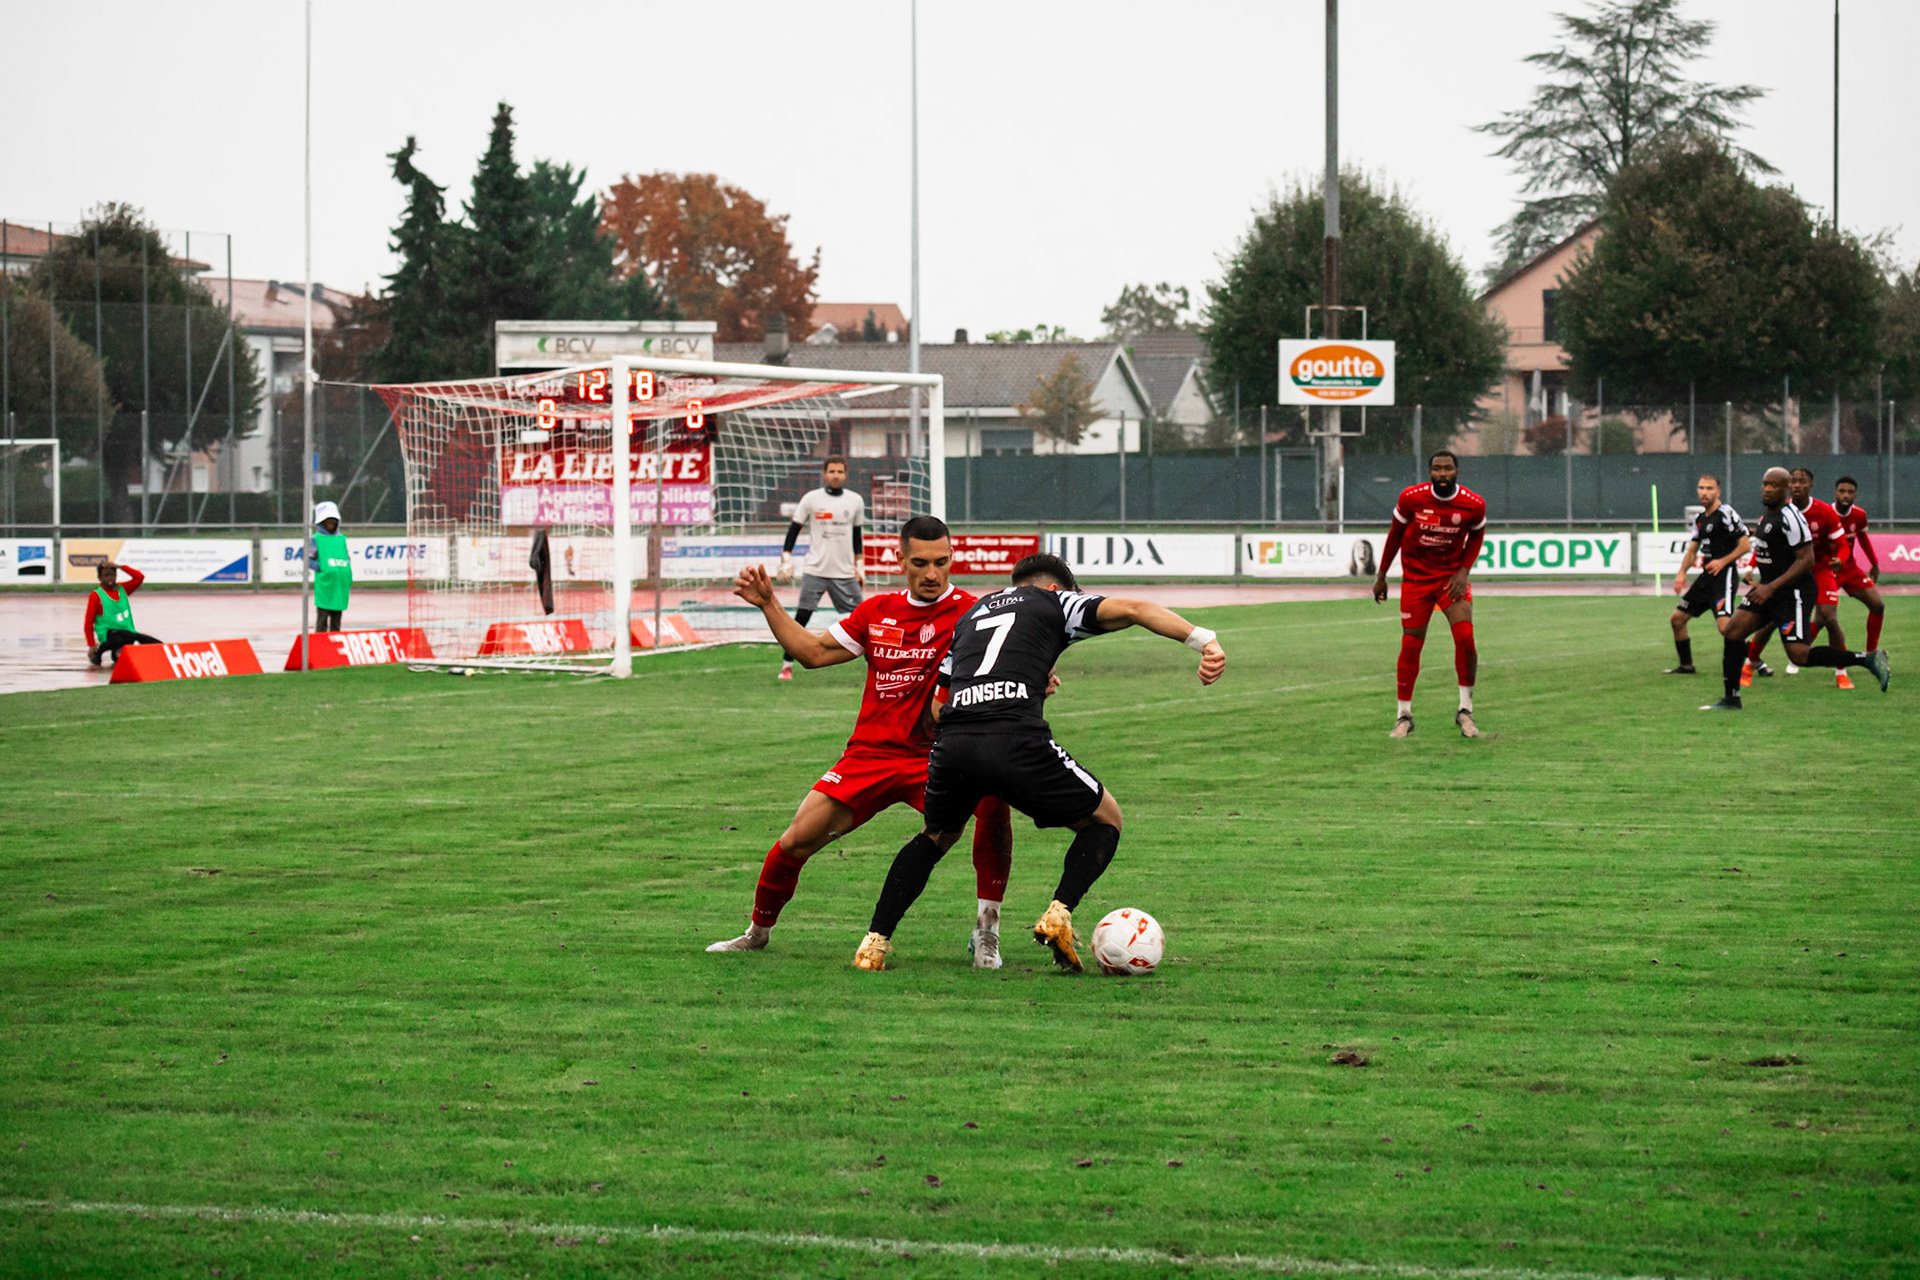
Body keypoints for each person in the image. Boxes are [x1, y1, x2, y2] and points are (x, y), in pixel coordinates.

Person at [852, 553, 1226, 974]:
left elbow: (936, 711)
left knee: (936, 836)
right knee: (1106, 820)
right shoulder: (1053, 601)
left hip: (954, 743)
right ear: (1054, 589)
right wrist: (1203, 639)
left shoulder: (970, 616)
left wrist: (1024, 683)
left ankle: (874, 944)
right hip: (1015, 740)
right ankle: (1059, 913)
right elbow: (1136, 610)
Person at [710, 515, 1018, 967]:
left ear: (952, 559)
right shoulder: (877, 612)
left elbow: (1009, 656)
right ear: (900, 560)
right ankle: (757, 933)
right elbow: (813, 654)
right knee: (796, 841)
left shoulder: (975, 613)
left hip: (939, 758)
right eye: (920, 563)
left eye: (941, 562)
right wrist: (769, 604)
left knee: (994, 800)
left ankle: (987, 931)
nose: (932, 574)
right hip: (870, 755)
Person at [1705, 467, 1887, 711]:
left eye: (1774, 485)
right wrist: (1760, 577)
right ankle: (1731, 698)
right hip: (1769, 590)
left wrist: (1771, 587)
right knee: (1733, 632)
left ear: (1786, 488)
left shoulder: (1791, 517)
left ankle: (1867, 659)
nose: (1768, 489)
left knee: (1799, 655)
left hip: (1795, 593)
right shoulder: (1769, 514)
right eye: (1765, 484)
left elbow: (1807, 560)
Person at [1371, 450, 1487, 739]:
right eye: (1437, 468)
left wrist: (1463, 571)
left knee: (1465, 639)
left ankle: (1465, 711)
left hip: (1451, 581)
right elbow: (1395, 535)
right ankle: (1404, 716)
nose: (1442, 473)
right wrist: (1382, 575)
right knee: (1411, 645)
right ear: (1430, 472)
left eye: (1448, 468)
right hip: (1416, 581)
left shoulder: (1473, 504)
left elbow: (1476, 536)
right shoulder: (1411, 498)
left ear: (1457, 471)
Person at [1743, 467, 1849, 686]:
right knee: (1769, 623)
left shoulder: (1824, 511)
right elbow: (1765, 543)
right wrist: (1751, 565)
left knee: (1829, 617)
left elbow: (1842, 544)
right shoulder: (1776, 511)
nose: (1798, 485)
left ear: (1811, 485)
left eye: (1803, 482)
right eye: (1794, 482)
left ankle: (1841, 672)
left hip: (1818, 570)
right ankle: (1749, 665)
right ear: (1788, 485)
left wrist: (1841, 559)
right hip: (1785, 574)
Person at [776, 457, 865, 681]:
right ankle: (787, 665)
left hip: (844, 572)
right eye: (832, 471)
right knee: (802, 616)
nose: (835, 475)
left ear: (846, 474)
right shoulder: (811, 499)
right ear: (824, 474)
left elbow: (857, 538)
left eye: (840, 471)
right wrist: (785, 560)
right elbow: (793, 531)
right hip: (815, 569)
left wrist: (860, 568)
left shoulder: (855, 501)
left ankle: (876, 666)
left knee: (866, 620)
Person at [1665, 473, 1750, 673]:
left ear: (1718, 491)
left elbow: (1745, 545)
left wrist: (1723, 561)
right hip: (1707, 578)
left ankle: (1756, 660)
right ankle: (1686, 665)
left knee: (1725, 628)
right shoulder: (1700, 519)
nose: (1704, 492)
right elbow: (1693, 550)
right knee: (1677, 620)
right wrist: (1681, 573)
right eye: (1701, 488)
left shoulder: (1726, 513)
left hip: (1725, 576)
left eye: (1709, 488)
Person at [1830, 475, 1886, 657]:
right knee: (1824, 616)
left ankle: (1871, 655)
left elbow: (1862, 538)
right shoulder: (1826, 514)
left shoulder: (1859, 515)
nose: (1846, 495)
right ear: (1835, 493)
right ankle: (1799, 657)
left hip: (1850, 569)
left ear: (1855, 495)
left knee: (1877, 605)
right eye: (1842, 491)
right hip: (1828, 570)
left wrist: (1874, 563)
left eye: (1850, 492)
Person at [84, 561, 162, 666]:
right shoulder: (95, 596)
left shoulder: (123, 589)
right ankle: (100, 651)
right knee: (117, 640)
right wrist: (91, 644)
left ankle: (120, 656)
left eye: (112, 575)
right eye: (106, 575)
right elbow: (88, 623)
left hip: (127, 632)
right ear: (99, 577)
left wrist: (120, 567)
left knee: (155, 643)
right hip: (109, 634)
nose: (110, 578)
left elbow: (139, 577)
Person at [310, 501, 352, 633]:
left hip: (339, 585)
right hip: (325, 585)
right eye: (327, 521)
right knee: (322, 618)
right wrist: (321, 568)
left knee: (336, 619)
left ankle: (334, 644)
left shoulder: (341, 539)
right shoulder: (315, 539)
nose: (330, 524)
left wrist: (346, 570)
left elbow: (346, 556)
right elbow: (308, 558)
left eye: (333, 521)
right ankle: (320, 644)